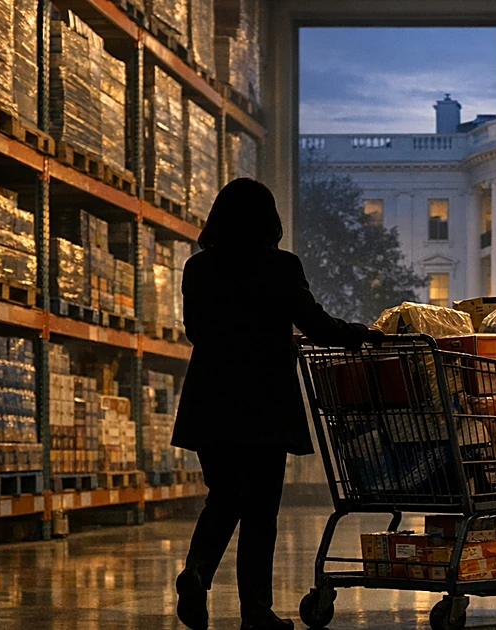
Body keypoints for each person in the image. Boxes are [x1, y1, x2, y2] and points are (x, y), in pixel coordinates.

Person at [171, 178, 381, 630]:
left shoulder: (198, 268)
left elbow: (195, 331)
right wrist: (360, 334)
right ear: (269, 220)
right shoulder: (280, 267)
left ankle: (196, 573)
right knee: (261, 510)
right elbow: (318, 326)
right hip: (264, 402)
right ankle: (256, 612)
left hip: (210, 400)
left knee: (224, 496)